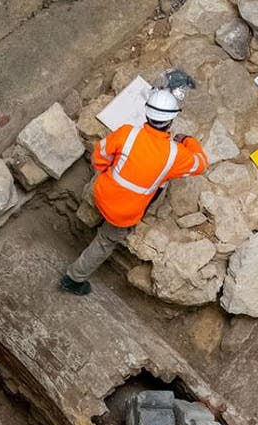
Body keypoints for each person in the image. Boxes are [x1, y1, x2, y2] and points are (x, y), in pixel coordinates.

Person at [60, 88, 209, 295]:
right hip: (123, 214)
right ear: (171, 121)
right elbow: (201, 164)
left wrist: (111, 178)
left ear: (147, 114)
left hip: (102, 194)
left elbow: (99, 157)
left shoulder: (127, 132)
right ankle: (73, 279)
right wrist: (187, 141)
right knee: (105, 242)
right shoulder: (175, 155)